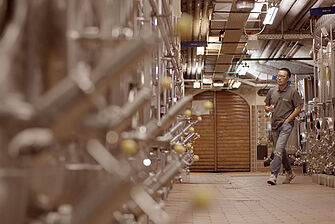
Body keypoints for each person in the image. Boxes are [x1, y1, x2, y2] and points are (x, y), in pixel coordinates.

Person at [264, 68, 303, 185]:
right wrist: (268, 109)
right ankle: (290, 172)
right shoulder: (272, 91)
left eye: (282, 76)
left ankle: (273, 175)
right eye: (278, 76)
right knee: (281, 150)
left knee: (278, 150)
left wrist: (288, 120)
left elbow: (298, 108)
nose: (279, 78)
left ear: (288, 79)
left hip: (286, 125)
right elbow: (266, 105)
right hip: (275, 124)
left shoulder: (292, 92)